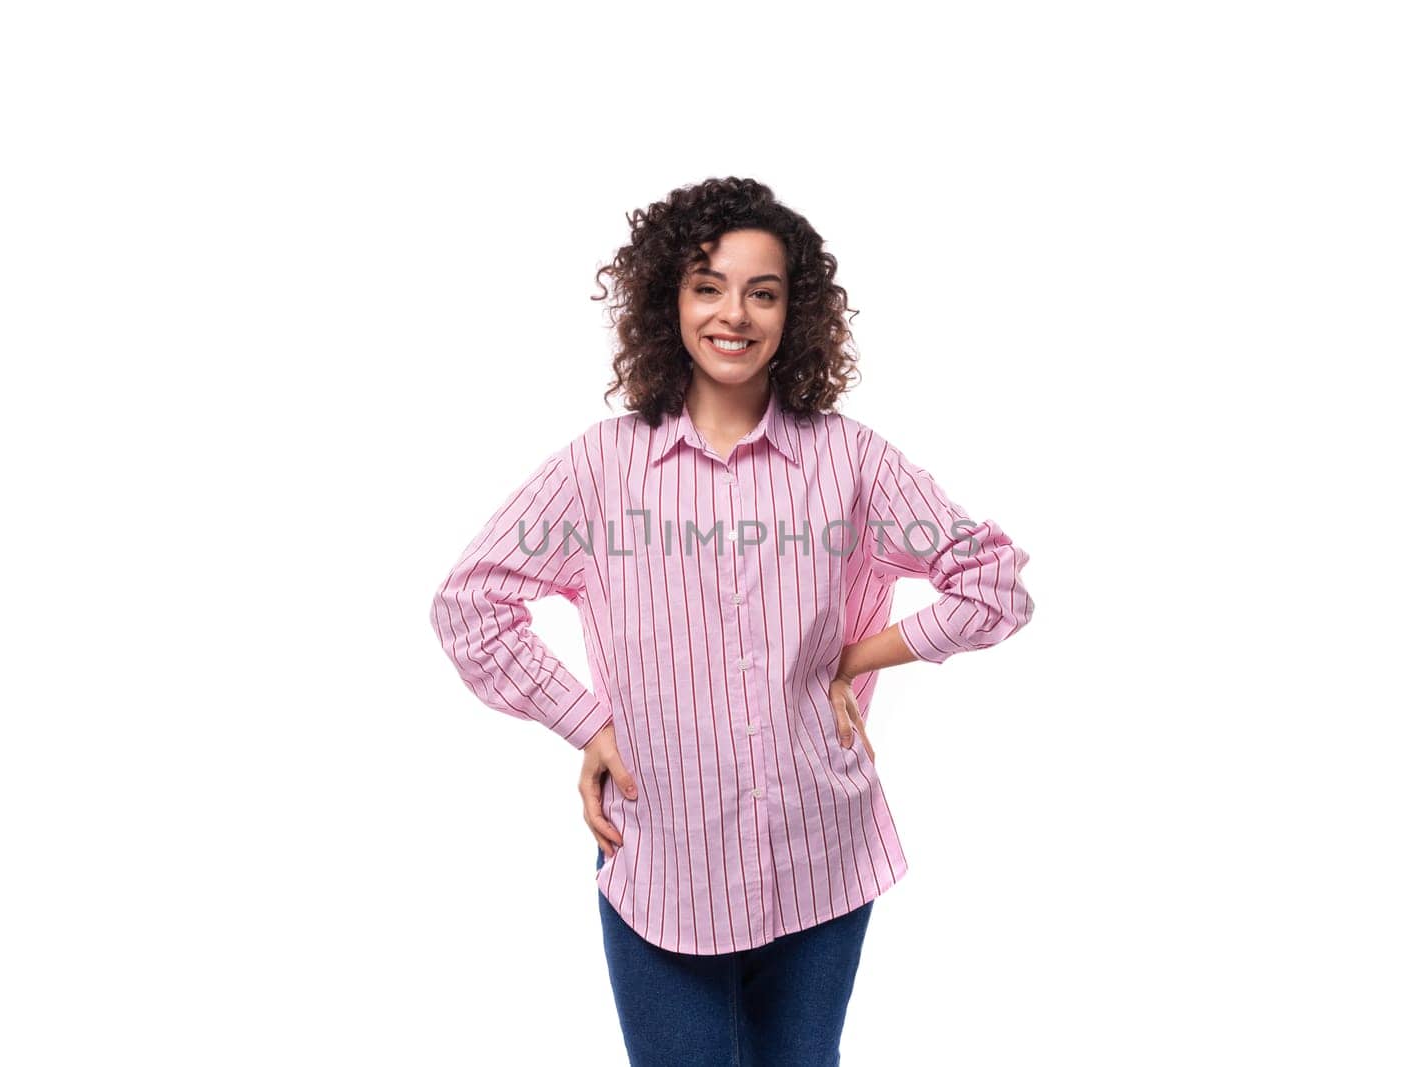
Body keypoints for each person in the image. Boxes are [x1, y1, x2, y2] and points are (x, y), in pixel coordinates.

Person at [429, 176, 1035, 1066]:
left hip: (822, 856)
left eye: (764, 291)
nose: (734, 315)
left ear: (796, 312)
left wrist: (855, 655)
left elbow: (996, 584)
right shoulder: (602, 468)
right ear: (667, 300)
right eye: (708, 286)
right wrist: (586, 722)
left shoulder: (849, 459)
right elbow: (469, 603)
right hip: (662, 861)